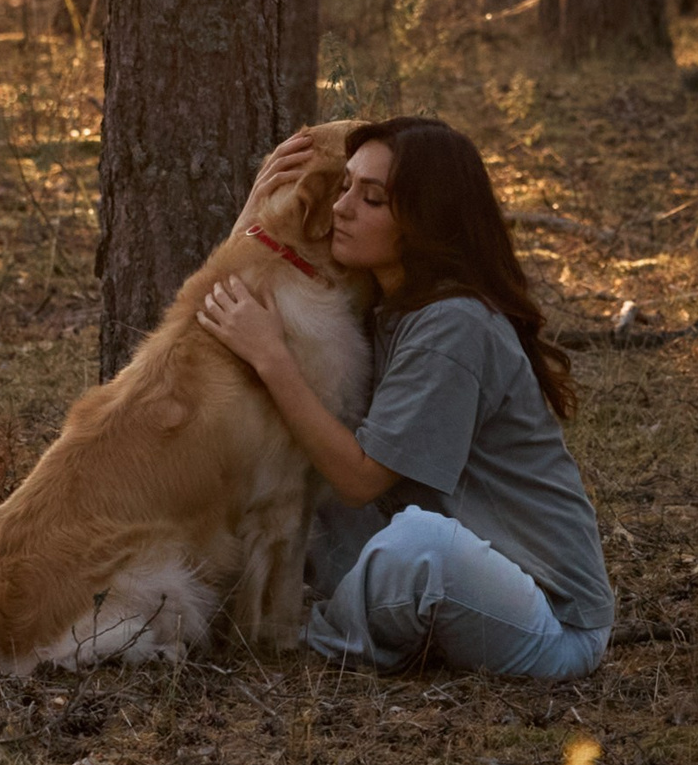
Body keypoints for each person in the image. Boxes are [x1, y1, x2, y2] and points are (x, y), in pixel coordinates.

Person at [196, 117, 612, 680]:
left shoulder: (454, 324)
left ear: (423, 223)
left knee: (422, 547)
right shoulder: (389, 305)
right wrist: (254, 220)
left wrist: (272, 359)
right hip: (467, 581)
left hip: (549, 625)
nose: (341, 208)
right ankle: (253, 611)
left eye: (372, 199)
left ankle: (303, 639)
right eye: (344, 186)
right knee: (295, 471)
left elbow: (361, 480)